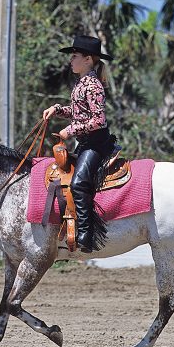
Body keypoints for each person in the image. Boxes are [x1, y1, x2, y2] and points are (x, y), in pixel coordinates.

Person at [42, 35, 115, 253]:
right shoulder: (82, 83)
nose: (70, 60)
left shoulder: (92, 85)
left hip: (96, 144)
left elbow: (98, 120)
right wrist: (57, 109)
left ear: (89, 59)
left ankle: (87, 234)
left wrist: (70, 130)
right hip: (85, 143)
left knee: (80, 183)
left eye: (75, 56)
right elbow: (78, 112)